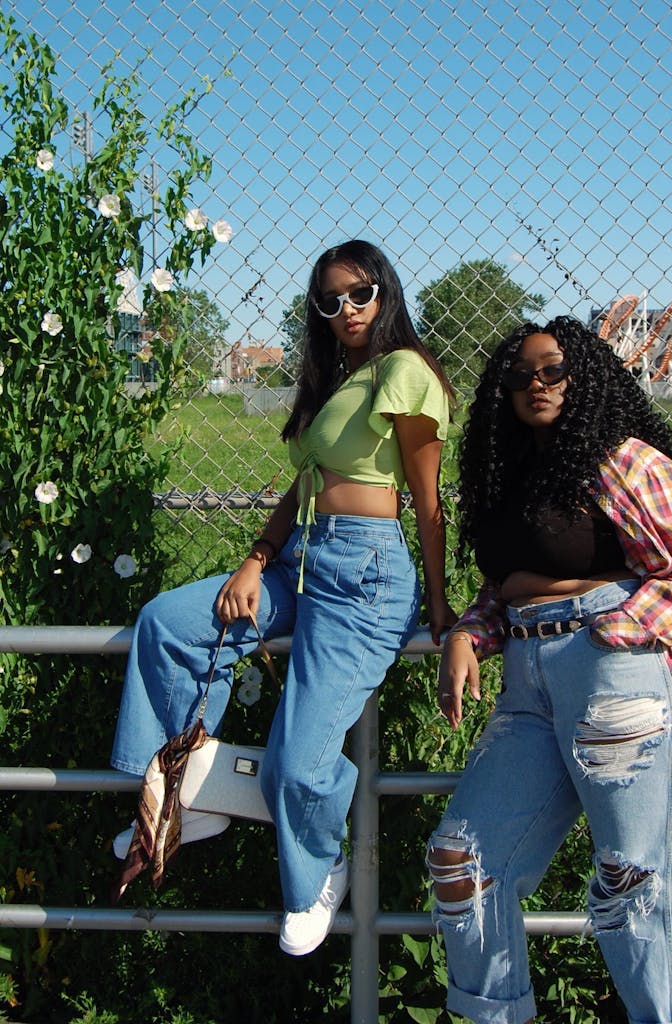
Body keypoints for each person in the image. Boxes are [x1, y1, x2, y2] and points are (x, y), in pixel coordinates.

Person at [111, 239, 456, 956]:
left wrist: (442, 607)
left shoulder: (404, 371)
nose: (346, 310)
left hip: (366, 576)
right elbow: (303, 487)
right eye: (329, 301)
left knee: (295, 763)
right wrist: (253, 557)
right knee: (168, 623)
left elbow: (427, 504)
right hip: (299, 559)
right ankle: (181, 797)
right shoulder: (338, 381)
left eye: (358, 293)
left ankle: (316, 874)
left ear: (384, 291)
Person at [428, 316, 672, 1024]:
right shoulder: (508, 476)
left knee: (634, 882)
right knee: (462, 862)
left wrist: (619, 629)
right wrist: (469, 633)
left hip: (614, 674)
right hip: (526, 679)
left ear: (585, 377)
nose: (534, 386)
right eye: (519, 376)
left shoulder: (625, 460)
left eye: (551, 371)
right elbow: (510, 583)